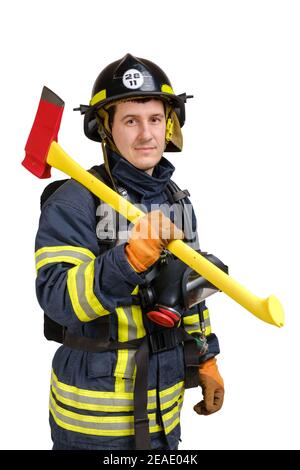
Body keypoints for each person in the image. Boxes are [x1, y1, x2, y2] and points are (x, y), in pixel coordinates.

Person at [34, 53, 225, 451]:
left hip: (163, 418)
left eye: (155, 119)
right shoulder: (73, 202)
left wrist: (205, 356)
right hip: (94, 427)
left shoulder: (177, 201)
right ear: (105, 128)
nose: (146, 135)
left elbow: (189, 291)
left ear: (170, 124)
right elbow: (57, 300)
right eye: (130, 121)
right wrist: (128, 261)